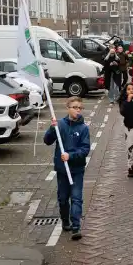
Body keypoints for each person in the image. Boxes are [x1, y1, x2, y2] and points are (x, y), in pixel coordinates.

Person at [43, 98, 92, 240]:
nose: (77, 110)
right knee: (63, 198)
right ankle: (65, 221)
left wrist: (70, 156)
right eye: (74, 107)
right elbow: (47, 141)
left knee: (76, 198)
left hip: (76, 170)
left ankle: (76, 227)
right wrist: (52, 128)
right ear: (68, 108)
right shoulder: (60, 125)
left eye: (80, 108)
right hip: (62, 170)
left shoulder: (83, 128)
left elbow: (85, 149)